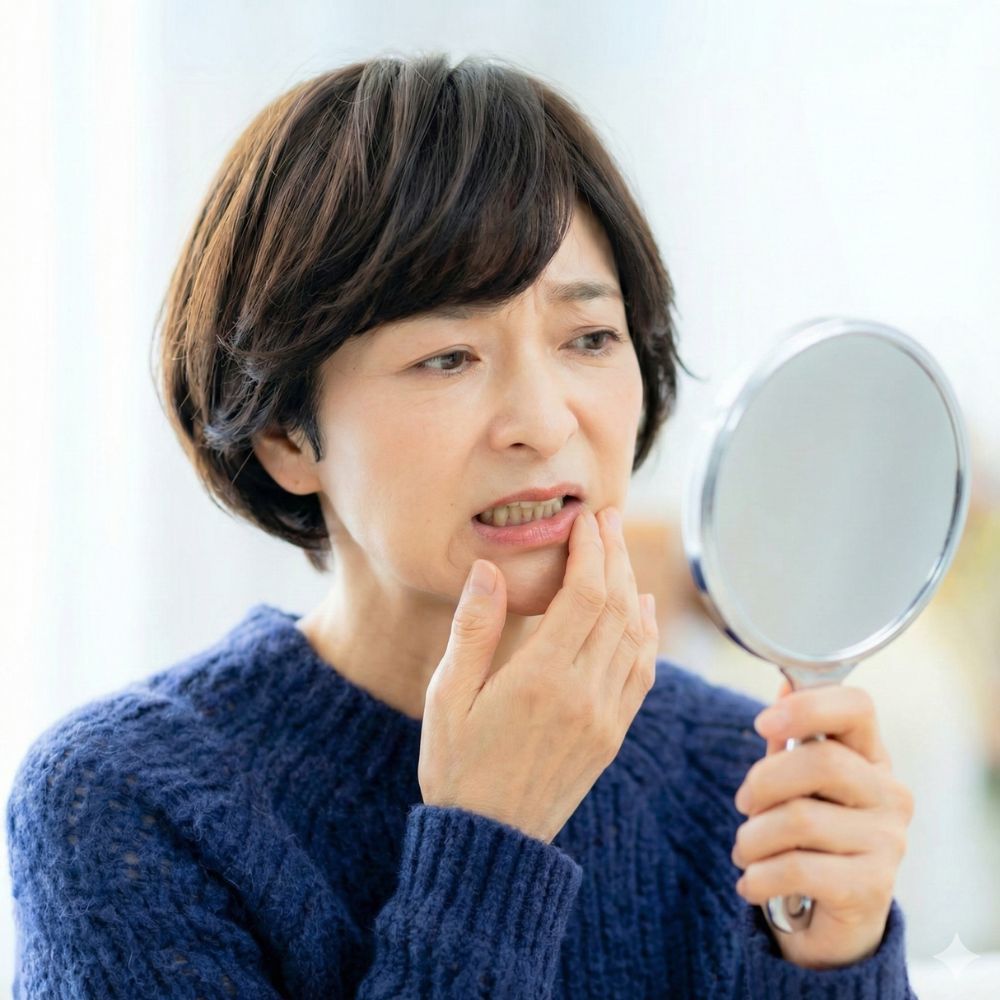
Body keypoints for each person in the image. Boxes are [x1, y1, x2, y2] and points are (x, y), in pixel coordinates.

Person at [6, 52, 917, 997]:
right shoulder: (125, 804)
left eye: (589, 339)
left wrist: (838, 961)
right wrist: (492, 842)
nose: (545, 423)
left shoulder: (745, 778)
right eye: (448, 356)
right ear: (285, 434)